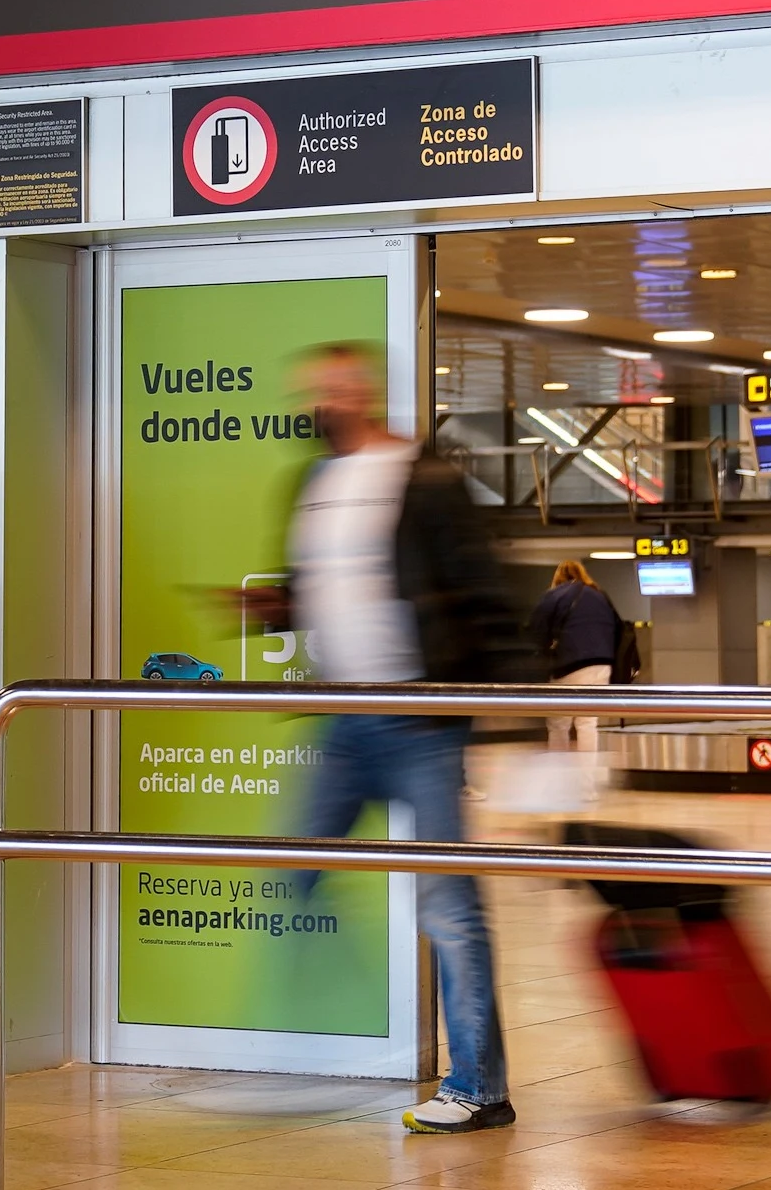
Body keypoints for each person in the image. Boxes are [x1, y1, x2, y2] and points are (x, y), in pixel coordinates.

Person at [259, 341, 533, 1134]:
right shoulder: (311, 483)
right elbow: (319, 590)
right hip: (347, 718)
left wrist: (518, 716)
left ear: (365, 393)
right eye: (315, 391)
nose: (323, 404)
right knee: (297, 867)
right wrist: (278, 610)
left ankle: (480, 1088)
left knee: (448, 904)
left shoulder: (425, 477)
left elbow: (481, 589)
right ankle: (308, 1052)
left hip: (417, 718)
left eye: (337, 390)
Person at [528, 560, 625, 754]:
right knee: (588, 722)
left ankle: (560, 776)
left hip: (569, 663)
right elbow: (619, 628)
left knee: (559, 723)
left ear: (558, 578)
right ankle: (587, 781)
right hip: (602, 664)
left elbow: (536, 631)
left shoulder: (554, 595)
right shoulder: (600, 595)